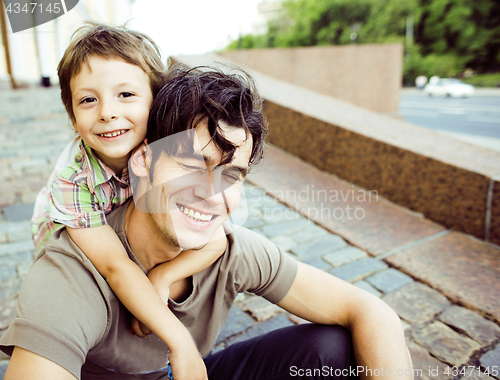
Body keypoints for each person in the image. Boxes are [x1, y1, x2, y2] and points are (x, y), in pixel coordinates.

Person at [0, 66, 413, 380]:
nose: (211, 193)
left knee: (332, 348)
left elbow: (369, 310)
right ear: (143, 162)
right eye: (195, 164)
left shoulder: (228, 248)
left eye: (231, 175)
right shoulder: (70, 274)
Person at [29, 24, 227, 379]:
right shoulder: (73, 180)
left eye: (125, 95)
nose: (106, 112)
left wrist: (163, 277)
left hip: (129, 224)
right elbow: (114, 267)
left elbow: (218, 241)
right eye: (88, 100)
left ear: (155, 101)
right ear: (74, 118)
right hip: (74, 234)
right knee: (100, 288)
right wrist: (179, 341)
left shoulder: (165, 151)